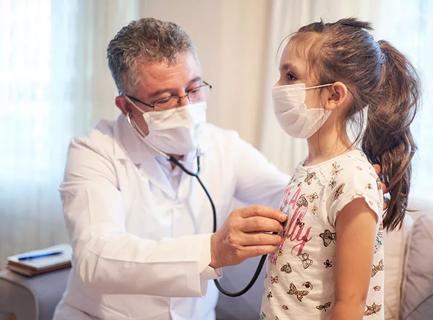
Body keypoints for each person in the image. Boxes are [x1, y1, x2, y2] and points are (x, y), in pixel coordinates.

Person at [53, 17, 290, 320]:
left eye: (194, 89)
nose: (186, 106)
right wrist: (212, 250)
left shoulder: (223, 146)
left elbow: (288, 193)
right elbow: (96, 256)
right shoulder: (94, 152)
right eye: (164, 98)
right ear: (126, 107)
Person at [260, 18, 420, 320]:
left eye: (291, 76)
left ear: (334, 95)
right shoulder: (309, 168)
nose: (278, 87)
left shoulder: (353, 180)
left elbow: (350, 305)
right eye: (281, 75)